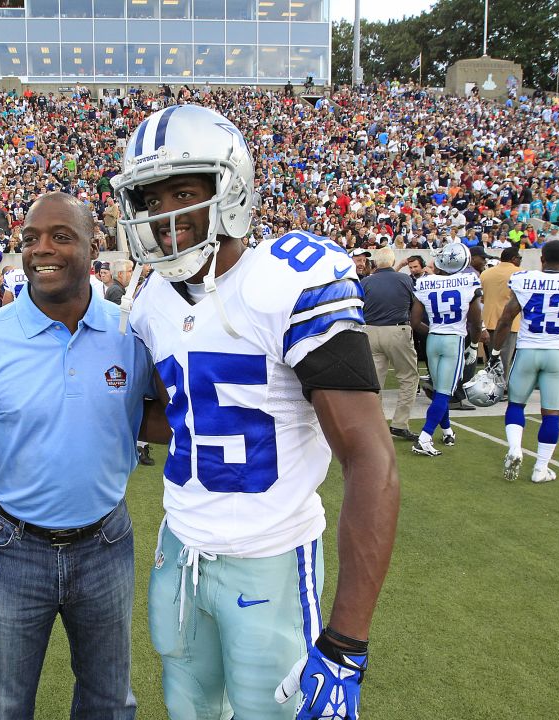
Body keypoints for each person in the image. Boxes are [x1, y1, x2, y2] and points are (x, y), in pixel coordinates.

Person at [112, 104, 398, 720]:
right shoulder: (150, 301)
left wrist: (346, 641)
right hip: (179, 550)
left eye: (184, 192)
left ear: (231, 188)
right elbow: (177, 418)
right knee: (187, 709)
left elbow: (371, 457)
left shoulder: (288, 280)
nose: (167, 216)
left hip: (270, 559)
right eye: (150, 198)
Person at [0, 192, 154, 718]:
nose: (42, 249)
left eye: (61, 236)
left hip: (105, 541)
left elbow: (161, 414)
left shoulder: (130, 333)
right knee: (2, 705)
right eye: (30, 239)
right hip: (12, 545)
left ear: (94, 246)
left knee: (109, 702)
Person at [489, 239, 559, 483]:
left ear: (541, 258)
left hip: (527, 350)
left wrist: (495, 352)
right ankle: (541, 468)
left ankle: (515, 448)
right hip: (557, 354)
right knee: (551, 414)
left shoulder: (524, 279)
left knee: (516, 405)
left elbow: (506, 319)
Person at [410, 243, 484, 456]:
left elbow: (414, 322)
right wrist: (473, 345)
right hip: (454, 339)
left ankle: (447, 429)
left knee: (440, 388)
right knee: (444, 391)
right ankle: (424, 438)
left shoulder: (425, 282)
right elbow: (475, 322)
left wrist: (434, 330)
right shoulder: (469, 281)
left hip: (433, 338)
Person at [361, 245, 422, 441]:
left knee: (374, 382)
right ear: (394, 262)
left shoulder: (366, 282)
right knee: (409, 377)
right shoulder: (405, 279)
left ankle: (374, 424)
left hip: (370, 331)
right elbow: (415, 304)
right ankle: (399, 423)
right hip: (397, 330)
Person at [479, 245, 523, 377]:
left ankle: (490, 386)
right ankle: (502, 389)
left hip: (489, 321)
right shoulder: (520, 273)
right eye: (520, 258)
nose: (521, 260)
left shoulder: (485, 273)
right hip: (511, 322)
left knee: (491, 358)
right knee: (505, 360)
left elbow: (482, 298)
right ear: (514, 258)